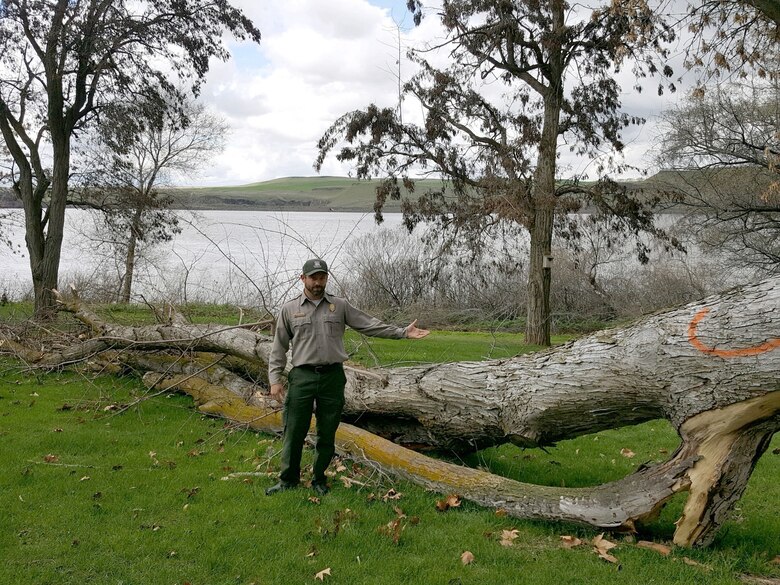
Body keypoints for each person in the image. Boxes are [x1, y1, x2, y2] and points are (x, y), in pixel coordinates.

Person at [266, 258, 430, 496]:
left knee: (327, 430)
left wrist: (402, 332)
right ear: (303, 279)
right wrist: (274, 379)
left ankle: (319, 479)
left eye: (322, 277)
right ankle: (288, 480)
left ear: (326, 279)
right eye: (313, 278)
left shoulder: (339, 306)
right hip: (302, 377)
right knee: (294, 430)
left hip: (332, 377)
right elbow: (278, 347)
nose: (318, 282)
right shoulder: (289, 309)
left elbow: (369, 325)